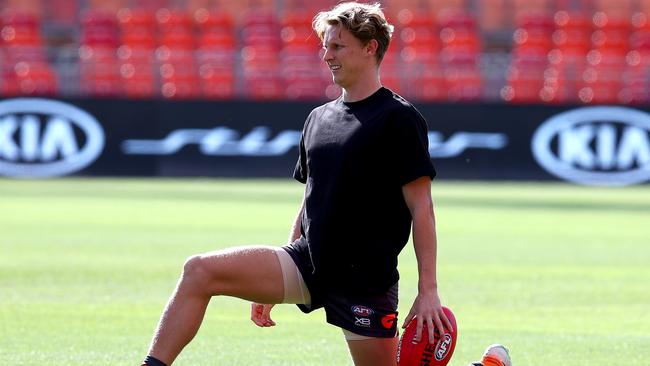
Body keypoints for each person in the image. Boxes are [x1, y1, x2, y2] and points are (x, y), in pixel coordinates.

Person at [141, 2, 451, 365]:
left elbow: (422, 208)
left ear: (370, 48)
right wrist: (280, 269)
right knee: (199, 270)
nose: (326, 55)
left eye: (337, 46)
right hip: (307, 264)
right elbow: (312, 199)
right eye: (325, 46)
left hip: (365, 281)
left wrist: (427, 290)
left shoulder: (398, 118)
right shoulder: (318, 118)